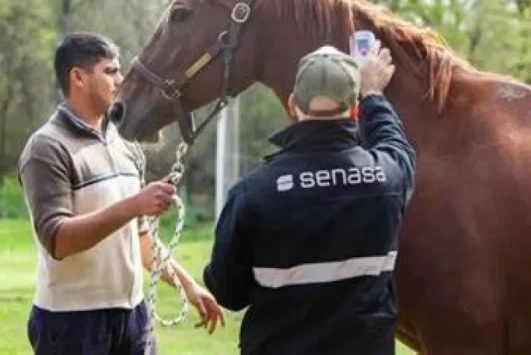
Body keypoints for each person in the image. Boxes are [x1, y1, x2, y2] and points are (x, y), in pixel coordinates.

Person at [18, 32, 224, 355]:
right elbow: (58, 240)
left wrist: (188, 286)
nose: (121, 80)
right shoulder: (46, 148)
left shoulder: (125, 144)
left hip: (133, 318)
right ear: (78, 78)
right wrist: (132, 206)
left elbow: (140, 238)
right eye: (110, 71)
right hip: (71, 324)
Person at [203, 42, 416, 355]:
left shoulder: (253, 193)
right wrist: (374, 95)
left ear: (292, 105)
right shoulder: (389, 175)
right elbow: (395, 143)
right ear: (355, 110)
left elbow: (228, 293)